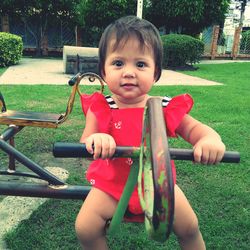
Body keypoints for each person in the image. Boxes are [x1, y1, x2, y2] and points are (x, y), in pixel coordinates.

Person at [75, 15, 225, 250]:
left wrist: (209, 139)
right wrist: (97, 139)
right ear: (103, 71)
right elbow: (86, 140)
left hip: (160, 186)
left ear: (155, 73)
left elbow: (195, 128)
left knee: (190, 227)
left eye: (141, 64)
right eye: (118, 63)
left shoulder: (162, 107)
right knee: (85, 227)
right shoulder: (101, 107)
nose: (129, 72)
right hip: (112, 187)